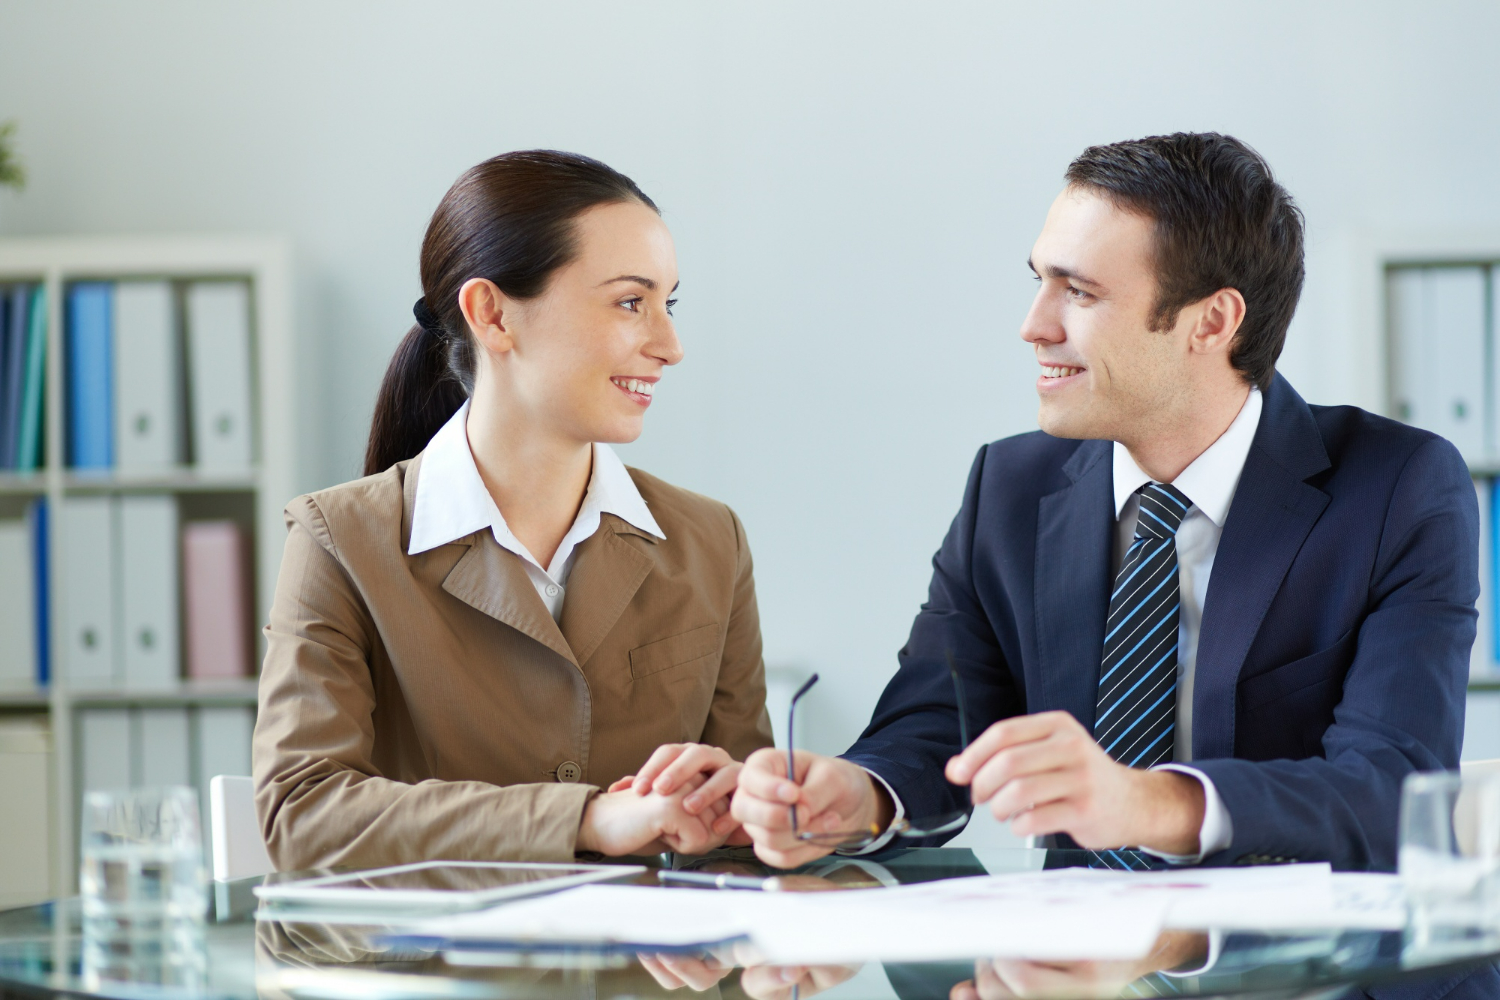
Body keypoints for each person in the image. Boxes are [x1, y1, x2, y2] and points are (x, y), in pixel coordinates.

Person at [713, 132, 1478, 876]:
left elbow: (1391, 789)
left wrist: (1144, 803)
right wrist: (860, 795)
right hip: (1074, 962)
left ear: (1211, 322)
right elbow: (933, 727)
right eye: (1039, 280)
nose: (1033, 325)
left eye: (1078, 291)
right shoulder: (1009, 488)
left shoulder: (1397, 488)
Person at [253, 150, 772, 870]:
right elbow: (302, 812)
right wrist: (586, 819)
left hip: (657, 976)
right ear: (492, 314)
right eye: (631, 302)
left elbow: (743, 817)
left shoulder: (710, 541)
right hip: (443, 976)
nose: (670, 346)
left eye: (669, 303)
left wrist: (754, 807)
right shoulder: (339, 539)